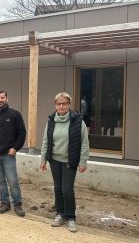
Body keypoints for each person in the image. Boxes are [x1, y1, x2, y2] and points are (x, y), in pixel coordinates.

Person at [40, 92, 90, 233]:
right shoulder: (51, 121)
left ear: (69, 105)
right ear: (55, 105)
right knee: (57, 188)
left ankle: (71, 217)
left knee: (67, 190)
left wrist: (83, 162)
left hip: (70, 160)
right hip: (54, 160)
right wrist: (43, 159)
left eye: (64, 103)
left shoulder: (78, 121)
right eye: (58, 103)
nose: (61, 106)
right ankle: (60, 214)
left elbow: (84, 143)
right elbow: (45, 141)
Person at [0, 90, 26, 217]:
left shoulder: (15, 114)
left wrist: (15, 148)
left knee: (13, 181)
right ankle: (5, 203)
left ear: (7, 98)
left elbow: (22, 133)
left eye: (2, 97)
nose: (0, 100)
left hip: (9, 154)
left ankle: (17, 204)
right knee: (0, 180)